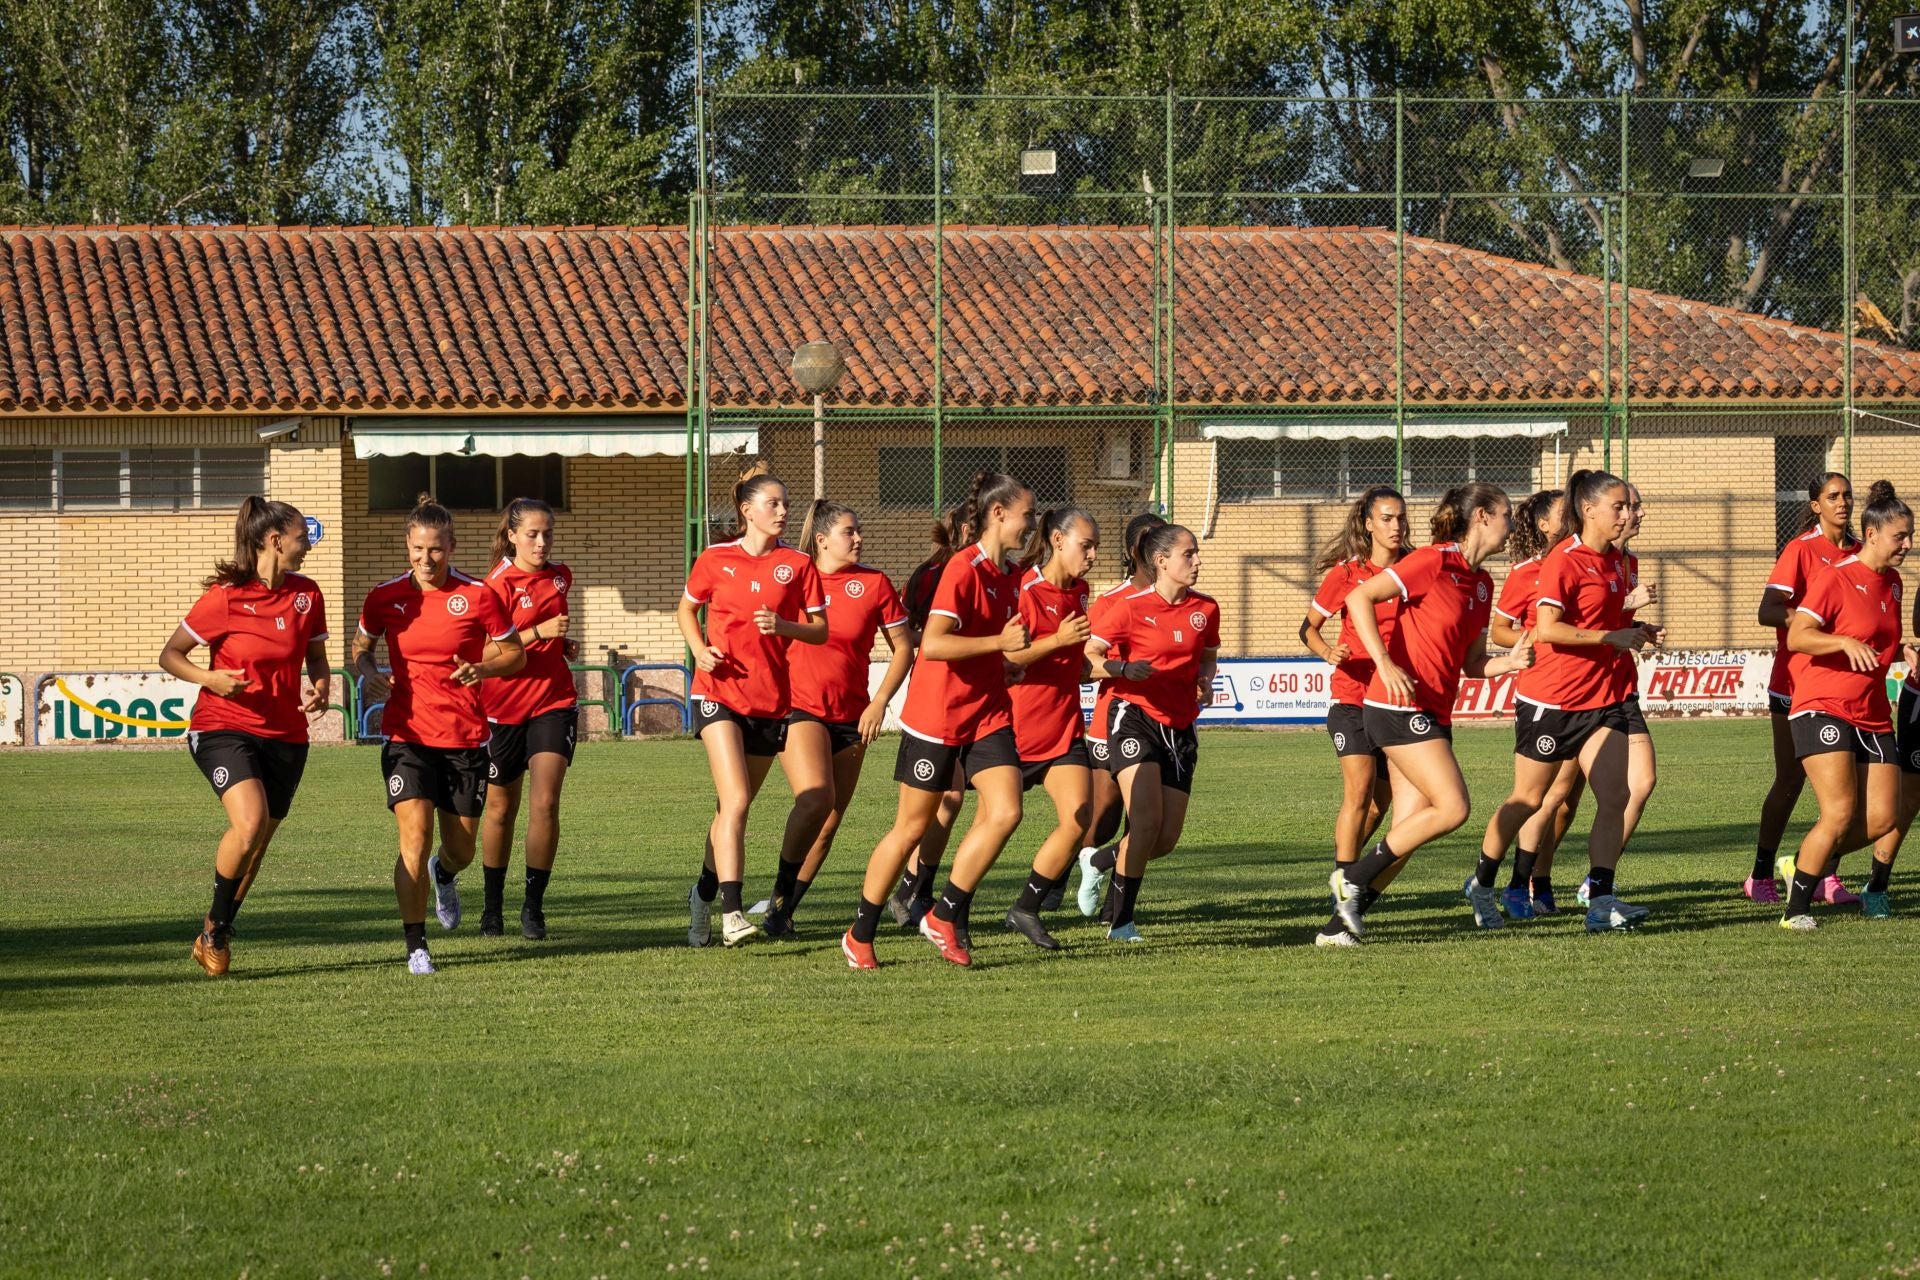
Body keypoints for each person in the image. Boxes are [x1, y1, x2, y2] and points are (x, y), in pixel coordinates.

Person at [842, 471, 1033, 969]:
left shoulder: (1010, 577)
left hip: (988, 714)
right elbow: (937, 643)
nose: (1029, 525)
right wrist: (998, 645)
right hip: (936, 717)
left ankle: (944, 914)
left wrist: (1005, 664)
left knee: (1007, 811)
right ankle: (860, 932)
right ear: (998, 514)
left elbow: (992, 648)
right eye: (1026, 515)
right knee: (911, 828)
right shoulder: (962, 570)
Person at [1331, 484, 1534, 939]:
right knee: (1453, 807)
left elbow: (1471, 663)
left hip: (1434, 711)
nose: (1512, 525)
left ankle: (1338, 926)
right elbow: (1357, 598)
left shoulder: (1482, 583)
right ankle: (1351, 878)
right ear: (1482, 516)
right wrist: (1384, 661)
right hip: (1397, 706)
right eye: (1508, 515)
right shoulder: (1431, 561)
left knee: (1408, 831)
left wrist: (1511, 664)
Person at [1474, 470, 1662, 933]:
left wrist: (1634, 630)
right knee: (1529, 798)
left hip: (1606, 698)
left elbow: (1606, 617)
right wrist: (1610, 635)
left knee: (1617, 795)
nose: (1628, 513)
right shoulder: (1564, 560)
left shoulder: (1619, 561)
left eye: (1629, 506)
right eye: (1618, 506)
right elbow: (1551, 628)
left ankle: (1600, 901)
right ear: (1590, 510)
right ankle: (1482, 883)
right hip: (1552, 699)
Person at [354, 496, 525, 974]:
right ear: (406, 546)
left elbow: (516, 655)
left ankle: (444, 875)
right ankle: (416, 945)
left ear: (451, 546)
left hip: (465, 739)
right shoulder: (384, 597)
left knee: (461, 849)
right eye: (417, 549)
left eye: (435, 550)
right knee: (414, 837)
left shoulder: (478, 596)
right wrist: (368, 670)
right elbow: (361, 645)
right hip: (405, 736)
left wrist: (483, 667)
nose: (426, 559)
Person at [161, 497, 329, 976]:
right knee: (249, 822)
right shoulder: (225, 597)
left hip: (287, 736)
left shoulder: (307, 595)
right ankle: (215, 932)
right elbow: (170, 654)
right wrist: (209, 679)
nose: (307, 546)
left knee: (257, 843)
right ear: (275, 540)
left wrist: (320, 688)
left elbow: (316, 659)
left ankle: (214, 928)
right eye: (302, 537)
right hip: (222, 726)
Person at [677, 470, 827, 948]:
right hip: (717, 692)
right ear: (747, 510)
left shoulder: (798, 564)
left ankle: (702, 892)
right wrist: (699, 649)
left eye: (786, 504)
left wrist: (785, 625)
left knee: (730, 809)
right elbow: (685, 609)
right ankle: (731, 912)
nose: (784, 512)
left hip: (770, 703)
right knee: (737, 800)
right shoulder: (715, 558)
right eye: (774, 504)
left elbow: (820, 630)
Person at [759, 499, 913, 938]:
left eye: (859, 529)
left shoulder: (875, 583)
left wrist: (880, 701)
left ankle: (781, 912)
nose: (859, 538)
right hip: (798, 707)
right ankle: (775, 900)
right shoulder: (792, 578)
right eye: (850, 531)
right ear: (823, 539)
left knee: (827, 826)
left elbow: (903, 647)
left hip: (852, 715)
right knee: (815, 800)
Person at [1776, 481, 1912, 929]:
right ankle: (1796, 912)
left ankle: (1802, 863)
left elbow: (1878, 645)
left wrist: (1905, 652)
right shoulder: (1835, 576)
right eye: (1900, 537)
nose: (1908, 545)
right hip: (1822, 705)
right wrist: (1840, 642)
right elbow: (1798, 636)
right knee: (1838, 813)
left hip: (1873, 714)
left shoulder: (1893, 584)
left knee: (1882, 819)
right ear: (1872, 534)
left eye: (1910, 536)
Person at [1082, 523, 1220, 941]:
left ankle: (1099, 861)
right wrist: (1122, 669)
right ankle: (1121, 922)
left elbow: (1208, 654)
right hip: (1133, 716)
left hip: (1180, 727)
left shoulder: (1206, 608)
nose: (1197, 561)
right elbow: (1087, 659)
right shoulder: (1128, 608)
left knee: (1164, 840)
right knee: (1143, 824)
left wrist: (1205, 679)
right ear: (1161, 562)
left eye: (1196, 553)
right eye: (1188, 554)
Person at [1299, 485, 1407, 947]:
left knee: (1388, 808)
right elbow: (1308, 628)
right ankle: (1345, 884)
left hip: (1397, 702)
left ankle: (1352, 877)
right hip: (1352, 699)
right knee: (1360, 791)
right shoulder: (1345, 574)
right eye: (1386, 518)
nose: (1396, 526)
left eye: (1401, 517)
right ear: (1367, 523)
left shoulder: (1412, 570)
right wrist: (1328, 652)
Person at [1749, 472, 1860, 905]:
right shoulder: (1801, 549)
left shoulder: (1858, 552)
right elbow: (1768, 610)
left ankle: (1824, 872)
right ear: (1815, 505)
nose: (1842, 502)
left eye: (1847, 495)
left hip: (1844, 686)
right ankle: (1760, 875)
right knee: (1791, 779)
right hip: (1794, 683)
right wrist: (1814, 622)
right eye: (1832, 496)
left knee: (1845, 792)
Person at [477, 497, 578, 941]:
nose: (541, 542)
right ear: (512, 535)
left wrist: (562, 646)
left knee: (546, 803)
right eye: (532, 534)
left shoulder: (561, 576)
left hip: (553, 701)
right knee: (500, 809)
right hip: (502, 708)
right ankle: (492, 908)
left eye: (548, 534)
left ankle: (533, 909)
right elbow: (480, 653)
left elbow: (548, 636)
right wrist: (538, 634)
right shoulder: (493, 586)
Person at [1002, 507, 1099, 950]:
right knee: (970, 818)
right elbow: (1006, 661)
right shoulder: (1024, 589)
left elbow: (1071, 659)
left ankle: (1025, 908)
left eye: (1096, 545)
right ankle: (931, 898)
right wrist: (1057, 642)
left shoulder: (1081, 591)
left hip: (1063, 729)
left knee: (1079, 818)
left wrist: (1086, 664)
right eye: (1087, 545)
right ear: (1058, 541)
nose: (1094, 554)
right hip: (1016, 729)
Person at [1486, 488, 1581, 918]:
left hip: (1587, 692)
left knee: (1565, 800)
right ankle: (1513, 884)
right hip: (1543, 694)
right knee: (1539, 795)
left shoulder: (1588, 562)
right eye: (1565, 512)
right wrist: (1536, 638)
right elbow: (1501, 631)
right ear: (1544, 525)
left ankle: (1537, 881)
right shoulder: (1527, 572)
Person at [886, 505, 976, 928]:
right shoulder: (931, 575)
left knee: (961, 800)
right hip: (935, 701)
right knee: (930, 807)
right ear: (963, 529)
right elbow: (904, 635)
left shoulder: (995, 572)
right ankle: (904, 894)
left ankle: (917, 890)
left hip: (980, 702)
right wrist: (948, 641)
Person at [1074, 511, 1166, 917]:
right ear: (1134, 550)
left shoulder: (1182, 600)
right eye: (1149, 541)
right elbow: (1086, 663)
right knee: (1102, 819)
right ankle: (1058, 879)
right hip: (1111, 722)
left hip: (1164, 723)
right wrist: (1124, 670)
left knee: (1143, 821)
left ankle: (1118, 905)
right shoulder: (1113, 601)